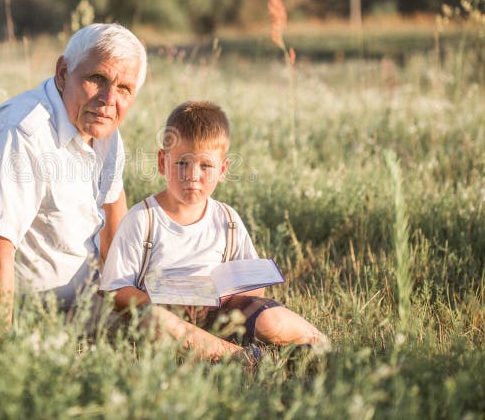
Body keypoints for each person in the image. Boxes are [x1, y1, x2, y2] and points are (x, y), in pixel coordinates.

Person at [100, 101, 328, 361]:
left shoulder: (227, 219)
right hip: (169, 316)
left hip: (221, 315)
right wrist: (156, 302)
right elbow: (115, 290)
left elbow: (254, 289)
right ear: (163, 162)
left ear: (223, 169)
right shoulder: (143, 220)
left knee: (272, 319)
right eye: (182, 163)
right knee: (156, 322)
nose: (192, 176)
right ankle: (241, 358)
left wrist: (223, 298)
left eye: (206, 166)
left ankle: (320, 346)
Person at [0, 23, 146, 326]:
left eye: (124, 89)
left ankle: (239, 346)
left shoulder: (103, 127)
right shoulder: (20, 132)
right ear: (63, 72)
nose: (109, 99)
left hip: (84, 304)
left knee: (178, 305)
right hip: (26, 317)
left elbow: (115, 238)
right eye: (98, 78)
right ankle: (241, 358)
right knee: (159, 323)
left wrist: (141, 295)